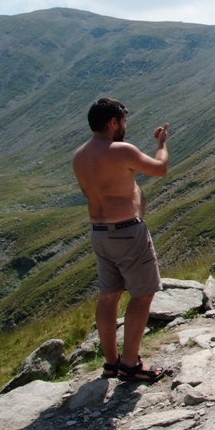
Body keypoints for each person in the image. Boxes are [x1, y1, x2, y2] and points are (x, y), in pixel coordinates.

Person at [72, 98, 170, 383]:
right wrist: (162, 144)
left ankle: (111, 362)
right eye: (123, 122)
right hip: (127, 231)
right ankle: (130, 365)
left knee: (108, 295)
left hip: (99, 233)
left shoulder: (80, 155)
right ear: (113, 122)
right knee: (142, 294)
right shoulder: (121, 150)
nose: (125, 127)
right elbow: (159, 168)